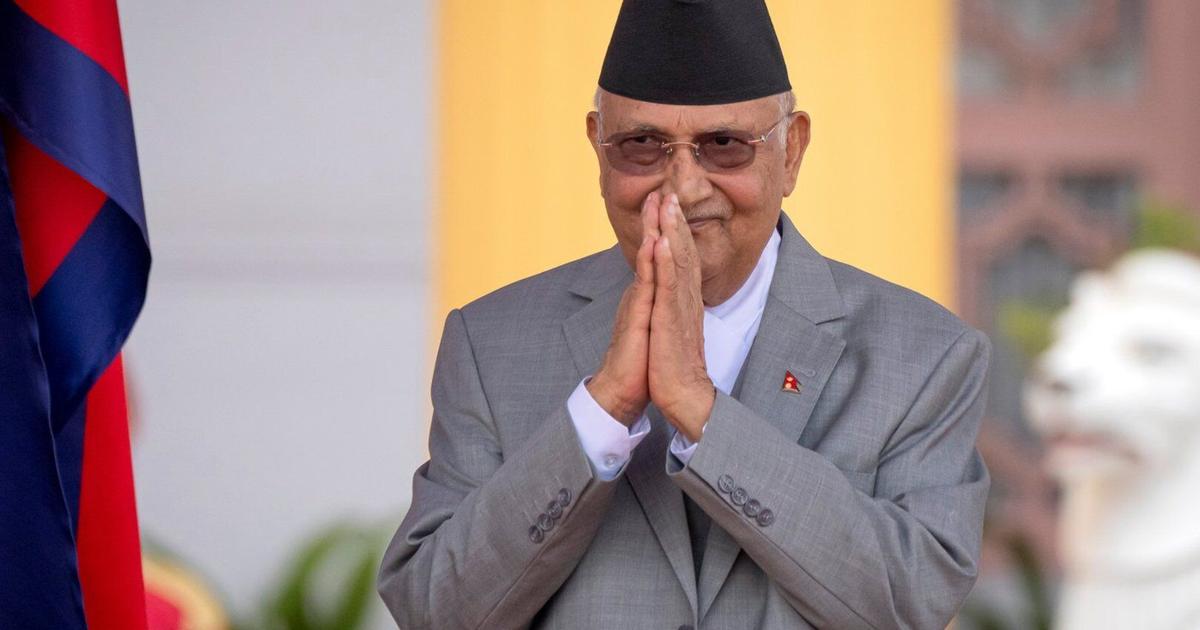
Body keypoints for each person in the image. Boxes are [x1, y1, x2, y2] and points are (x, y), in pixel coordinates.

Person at [377, 1, 991, 628]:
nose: (682, 187)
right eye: (642, 145)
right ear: (598, 149)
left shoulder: (924, 355)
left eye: (724, 146)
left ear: (792, 151)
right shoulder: (491, 342)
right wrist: (602, 411)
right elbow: (434, 610)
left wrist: (700, 410)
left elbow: (909, 602)